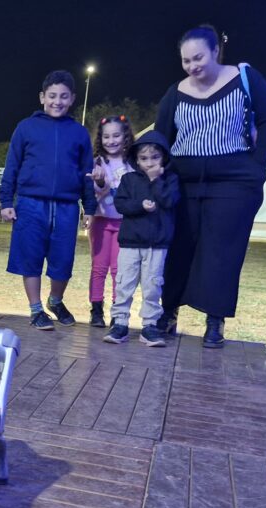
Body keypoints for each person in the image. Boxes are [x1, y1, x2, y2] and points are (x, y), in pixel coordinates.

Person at [154, 24, 266, 348]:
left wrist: (258, 165)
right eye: (186, 61)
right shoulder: (175, 92)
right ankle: (168, 312)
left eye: (198, 58)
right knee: (177, 249)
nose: (192, 66)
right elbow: (161, 137)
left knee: (221, 252)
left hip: (233, 183)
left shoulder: (244, 78)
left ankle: (215, 321)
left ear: (214, 51)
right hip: (184, 183)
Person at [0, 70, 95, 331]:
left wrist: (89, 207)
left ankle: (56, 300)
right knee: (30, 259)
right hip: (30, 204)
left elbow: (87, 172)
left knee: (63, 261)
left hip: (66, 207)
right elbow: (12, 166)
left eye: (63, 96)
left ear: (72, 98)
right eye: (52, 96)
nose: (57, 101)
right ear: (42, 97)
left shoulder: (79, 133)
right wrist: (6, 201)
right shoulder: (26, 128)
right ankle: (36, 309)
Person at [102, 131, 179, 347]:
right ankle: (119, 323)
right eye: (144, 158)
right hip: (130, 243)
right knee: (124, 284)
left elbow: (170, 201)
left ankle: (150, 326)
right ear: (136, 160)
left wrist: (156, 181)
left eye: (155, 157)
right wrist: (140, 206)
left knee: (152, 286)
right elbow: (121, 204)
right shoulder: (128, 179)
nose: (149, 163)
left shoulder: (170, 179)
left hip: (157, 245)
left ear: (164, 157)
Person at [85, 115, 135, 328]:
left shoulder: (133, 162)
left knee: (118, 271)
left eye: (116, 135)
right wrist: (100, 181)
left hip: (124, 224)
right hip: (101, 221)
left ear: (125, 137)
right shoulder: (97, 162)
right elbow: (95, 191)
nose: (111, 141)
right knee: (99, 268)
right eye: (106, 136)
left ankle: (118, 312)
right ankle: (96, 310)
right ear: (100, 138)